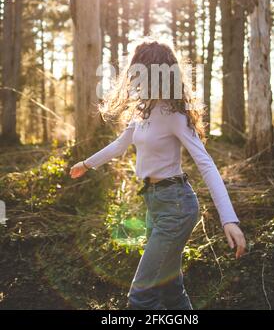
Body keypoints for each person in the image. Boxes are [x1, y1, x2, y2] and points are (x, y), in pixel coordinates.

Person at [69, 38, 246, 310]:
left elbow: (206, 163)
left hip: (176, 207)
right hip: (155, 205)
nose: (135, 79)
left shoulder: (172, 114)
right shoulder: (143, 112)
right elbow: (119, 144)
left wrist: (228, 219)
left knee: (140, 297)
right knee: (170, 288)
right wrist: (86, 163)